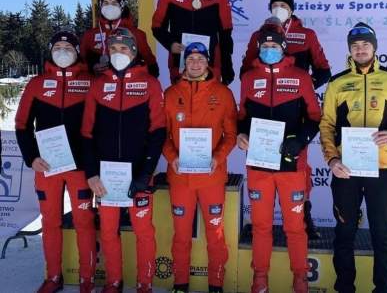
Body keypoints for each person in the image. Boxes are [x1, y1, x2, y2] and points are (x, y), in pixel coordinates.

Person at [319, 22, 387, 293]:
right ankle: (345, 288)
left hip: (381, 170)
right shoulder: (337, 82)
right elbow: (326, 125)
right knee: (344, 234)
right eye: (355, 45)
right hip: (345, 171)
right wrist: (331, 160)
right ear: (350, 50)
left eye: (365, 44)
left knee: (382, 235)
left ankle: (383, 289)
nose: (360, 49)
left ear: (374, 47)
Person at [237, 22, 321, 293]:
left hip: (291, 166)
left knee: (295, 227)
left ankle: (300, 278)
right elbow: (241, 117)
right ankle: (259, 279)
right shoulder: (248, 78)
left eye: (274, 46)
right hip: (259, 165)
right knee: (261, 226)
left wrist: (301, 140)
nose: (269, 50)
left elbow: (315, 118)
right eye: (265, 46)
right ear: (258, 48)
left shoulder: (301, 77)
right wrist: (241, 134)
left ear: (283, 48)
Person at [241, 0, 332, 239]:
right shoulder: (258, 36)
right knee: (264, 172)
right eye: (275, 4)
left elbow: (324, 70)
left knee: (300, 168)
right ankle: (262, 224)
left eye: (284, 4)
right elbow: (246, 69)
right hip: (265, 114)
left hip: (297, 113)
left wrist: (302, 87)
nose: (279, 8)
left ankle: (305, 216)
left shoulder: (306, 35)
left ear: (292, 8)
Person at [81, 28, 166, 293]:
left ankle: (145, 283)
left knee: (144, 231)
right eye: (114, 49)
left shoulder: (150, 83)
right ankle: (113, 282)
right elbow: (86, 133)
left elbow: (158, 131)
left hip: (139, 172)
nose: (119, 54)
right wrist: (92, 173)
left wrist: (145, 173)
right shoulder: (98, 84)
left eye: (124, 49)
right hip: (106, 176)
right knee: (107, 231)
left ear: (134, 51)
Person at [15, 31, 96, 293]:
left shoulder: (90, 82)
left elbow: (100, 124)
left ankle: (87, 278)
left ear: (76, 52)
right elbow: (21, 125)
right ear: (50, 51)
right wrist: (32, 157)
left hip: (80, 167)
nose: (63, 51)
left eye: (68, 47)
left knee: (84, 222)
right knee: (50, 222)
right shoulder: (37, 84)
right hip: (47, 167)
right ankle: (53, 276)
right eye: (58, 47)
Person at [162, 42, 237, 293]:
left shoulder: (223, 93)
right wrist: (171, 156)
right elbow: (161, 134)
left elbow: (231, 134)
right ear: (185, 63)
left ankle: (216, 284)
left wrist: (219, 157)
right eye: (190, 58)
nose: (195, 63)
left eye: (200, 58)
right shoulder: (170, 94)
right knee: (181, 235)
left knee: (215, 234)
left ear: (208, 63)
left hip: (211, 176)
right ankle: (180, 284)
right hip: (180, 176)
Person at [152, 0, 234, 85]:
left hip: (211, 63)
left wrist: (227, 65)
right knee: (181, 102)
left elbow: (225, 32)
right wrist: (170, 44)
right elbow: (157, 26)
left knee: (210, 103)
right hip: (179, 62)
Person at [80, 0, 159, 77]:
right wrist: (92, 66)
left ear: (121, 7)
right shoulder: (90, 35)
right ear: (100, 6)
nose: (109, 7)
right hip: (101, 85)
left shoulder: (136, 34)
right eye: (106, 3)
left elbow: (150, 63)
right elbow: (82, 62)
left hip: (128, 84)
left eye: (114, 3)